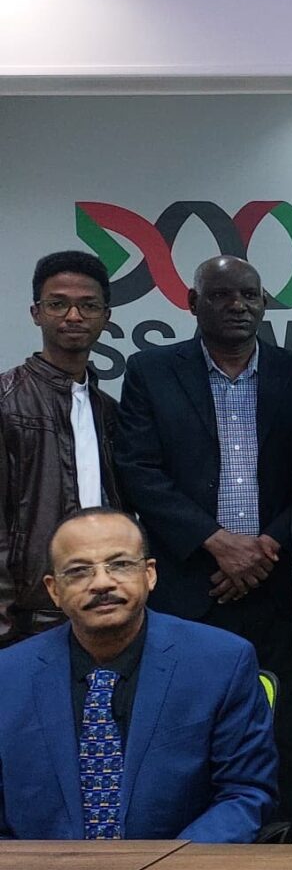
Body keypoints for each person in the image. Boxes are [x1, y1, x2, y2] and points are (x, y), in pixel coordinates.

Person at [113, 254, 292, 824]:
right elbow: (137, 470)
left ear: (265, 302)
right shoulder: (150, 371)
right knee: (186, 728)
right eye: (221, 295)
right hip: (190, 587)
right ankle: (194, 842)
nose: (238, 305)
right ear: (192, 303)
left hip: (280, 589)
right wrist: (216, 541)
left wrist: (263, 548)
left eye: (250, 295)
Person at [0, 508, 276, 840]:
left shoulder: (222, 662)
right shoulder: (8, 677)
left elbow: (244, 794)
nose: (102, 583)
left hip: (180, 863)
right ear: (54, 590)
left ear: (150, 574)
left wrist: (167, 864)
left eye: (119, 565)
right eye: (78, 571)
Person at [2, 252, 124, 647]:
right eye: (58, 304)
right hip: (27, 620)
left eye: (88, 305)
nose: (74, 316)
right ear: (36, 313)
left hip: (107, 607)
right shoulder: (6, 401)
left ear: (106, 316)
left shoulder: (108, 410)